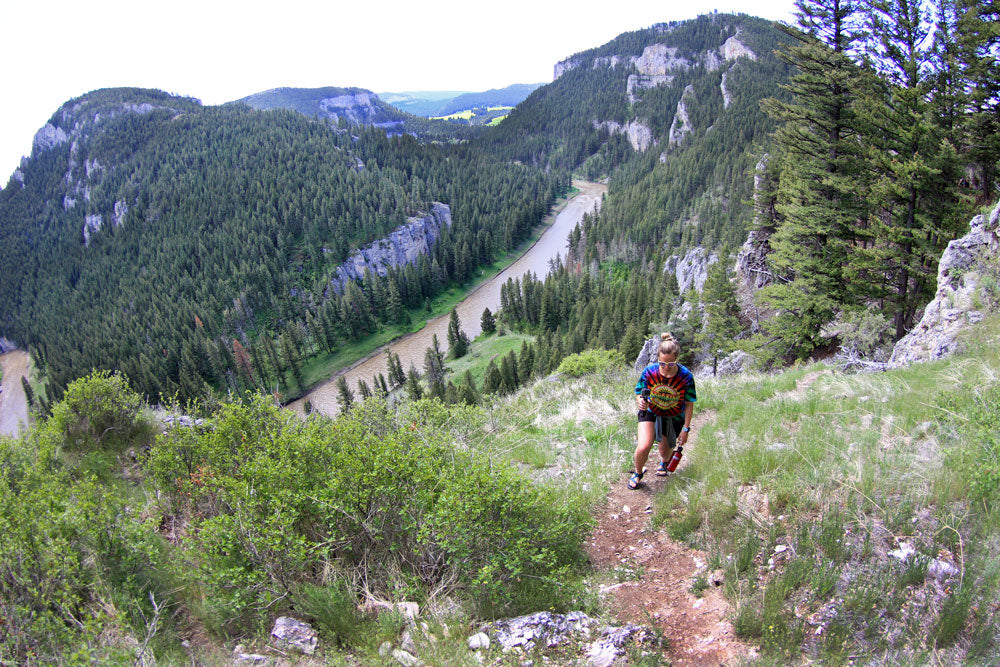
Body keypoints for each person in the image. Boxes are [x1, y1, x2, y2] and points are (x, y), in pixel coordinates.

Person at [628, 332, 696, 489]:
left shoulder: (686, 377)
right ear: (658, 358)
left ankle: (664, 461)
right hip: (651, 411)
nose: (666, 368)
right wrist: (640, 402)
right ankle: (638, 473)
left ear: (676, 360)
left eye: (671, 364)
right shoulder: (650, 372)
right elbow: (639, 392)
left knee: (665, 452)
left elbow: (689, 403)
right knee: (644, 446)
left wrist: (686, 429)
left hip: (673, 417)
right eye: (662, 363)